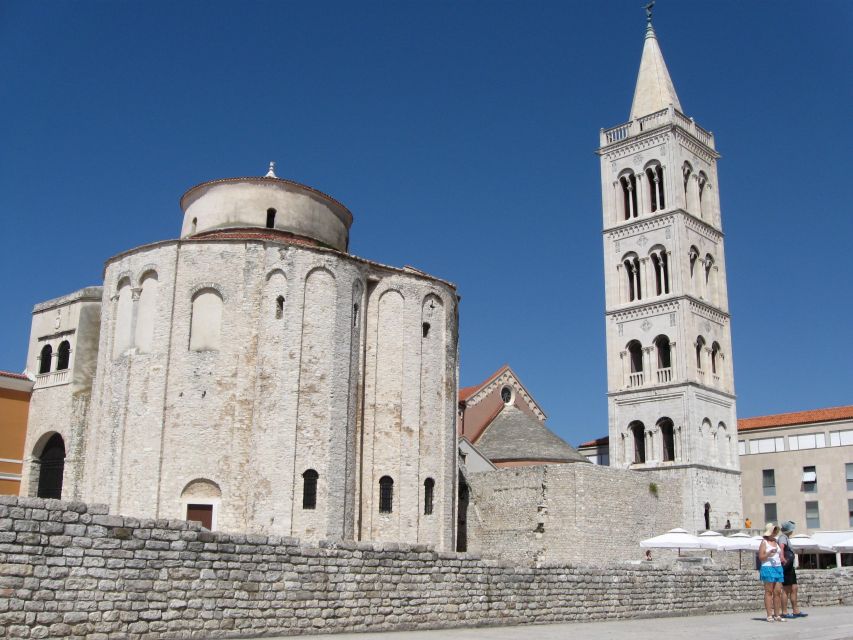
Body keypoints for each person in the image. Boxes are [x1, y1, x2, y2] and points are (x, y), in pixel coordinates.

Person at [778, 520, 808, 619]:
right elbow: (782, 547)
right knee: (786, 589)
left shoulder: (786, 538)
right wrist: (782, 557)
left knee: (794, 588)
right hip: (786, 566)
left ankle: (796, 610)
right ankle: (785, 612)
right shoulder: (783, 537)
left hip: (790, 567)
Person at [758, 522, 785, 622]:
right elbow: (761, 557)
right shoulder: (763, 542)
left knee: (778, 591)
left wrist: (781, 557)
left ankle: (777, 614)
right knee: (769, 591)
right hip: (767, 567)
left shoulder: (776, 541)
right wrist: (768, 553)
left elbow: (779, 554)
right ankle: (769, 615)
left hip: (777, 567)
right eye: (773, 530)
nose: (774, 532)